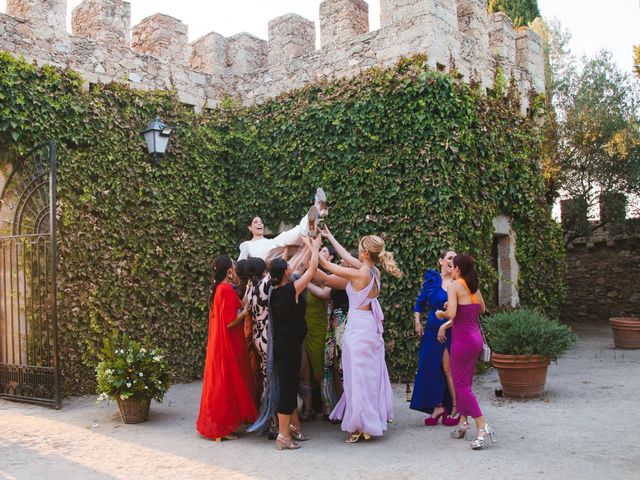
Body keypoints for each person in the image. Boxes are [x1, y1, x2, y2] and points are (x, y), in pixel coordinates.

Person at [319, 228, 402, 442]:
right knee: (369, 377)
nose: (355, 253)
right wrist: (328, 236)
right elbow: (346, 257)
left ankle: (360, 425)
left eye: (359, 250)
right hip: (370, 328)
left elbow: (328, 266)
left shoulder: (360, 273)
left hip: (357, 329)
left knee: (357, 379)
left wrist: (313, 248)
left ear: (364, 253)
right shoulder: (374, 272)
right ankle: (369, 422)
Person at [436, 254, 497, 450]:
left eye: (453, 267)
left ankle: (482, 425)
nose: (451, 270)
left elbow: (452, 314)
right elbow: (481, 308)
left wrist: (441, 313)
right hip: (475, 339)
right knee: (465, 381)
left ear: (458, 269)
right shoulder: (473, 288)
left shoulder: (454, 286)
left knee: (461, 385)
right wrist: (456, 307)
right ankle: (463, 422)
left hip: (462, 341)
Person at [196, 255, 258, 441]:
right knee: (228, 381)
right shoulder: (225, 290)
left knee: (223, 381)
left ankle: (222, 423)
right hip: (229, 342)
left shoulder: (219, 289)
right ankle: (223, 426)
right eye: (233, 265)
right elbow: (230, 321)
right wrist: (246, 312)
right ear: (229, 271)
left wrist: (247, 292)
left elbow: (235, 307)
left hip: (221, 341)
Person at [269, 235, 321, 450]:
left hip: (284, 346)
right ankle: (283, 436)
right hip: (289, 348)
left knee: (288, 386)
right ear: (286, 273)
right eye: (288, 268)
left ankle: (293, 427)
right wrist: (314, 247)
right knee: (288, 391)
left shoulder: (275, 292)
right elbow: (312, 270)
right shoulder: (292, 290)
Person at [410, 250, 460, 426]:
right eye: (449, 258)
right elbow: (420, 303)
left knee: (448, 369)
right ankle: (438, 406)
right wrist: (417, 322)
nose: (452, 261)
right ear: (441, 261)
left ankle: (455, 407)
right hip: (431, 331)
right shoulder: (433, 280)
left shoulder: (458, 282)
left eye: (454, 258)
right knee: (429, 368)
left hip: (451, 330)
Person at [238, 190, 328, 260]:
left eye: (261, 222)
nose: (260, 224)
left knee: (298, 239)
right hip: (262, 256)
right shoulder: (246, 244)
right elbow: (241, 264)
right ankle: (316, 212)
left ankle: (314, 220)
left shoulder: (269, 241)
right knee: (286, 236)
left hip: (274, 254)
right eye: (256, 222)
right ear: (250, 227)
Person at [318, 248, 356, 417]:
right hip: (335, 323)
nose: (341, 260)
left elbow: (325, 280)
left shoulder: (349, 279)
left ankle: (350, 407)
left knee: (344, 366)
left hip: (345, 324)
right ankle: (343, 405)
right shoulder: (343, 277)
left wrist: (310, 257)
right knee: (335, 365)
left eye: (345, 258)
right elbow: (323, 292)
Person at [300, 246, 332, 421]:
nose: (320, 252)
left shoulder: (326, 279)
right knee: (304, 370)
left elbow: (324, 294)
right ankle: (308, 407)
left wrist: (307, 278)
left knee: (319, 371)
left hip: (319, 328)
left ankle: (325, 403)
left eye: (324, 250)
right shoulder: (303, 277)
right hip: (303, 329)